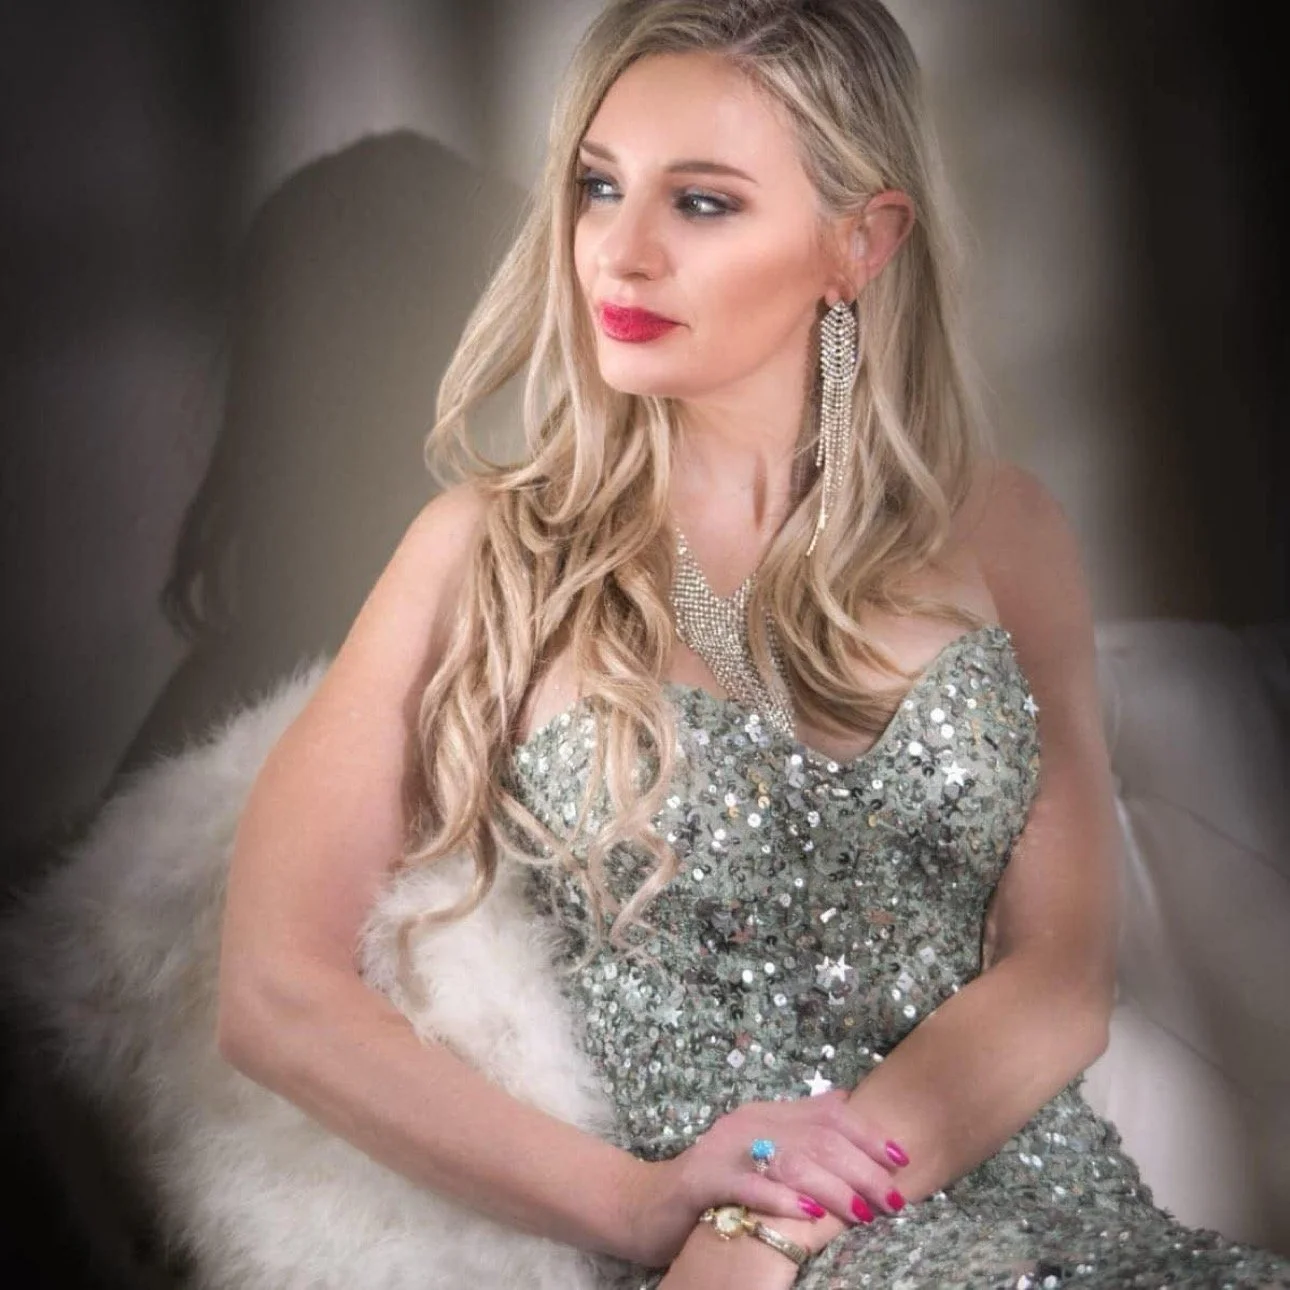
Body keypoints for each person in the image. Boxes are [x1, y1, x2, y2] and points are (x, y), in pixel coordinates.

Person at [216, 1, 1290, 1287]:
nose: (620, 252)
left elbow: (1060, 976)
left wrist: (770, 1222)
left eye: (703, 203)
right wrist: (636, 1209)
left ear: (859, 242)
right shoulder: (485, 551)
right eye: (597, 189)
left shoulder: (1001, 526)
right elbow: (271, 991)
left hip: (1033, 1217)